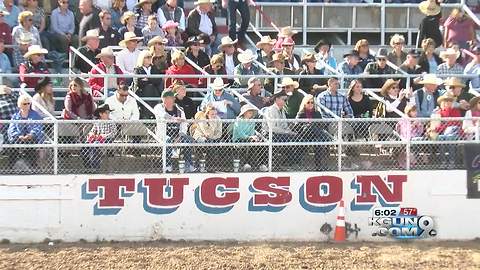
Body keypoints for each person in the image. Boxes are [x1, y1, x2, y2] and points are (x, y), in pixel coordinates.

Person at [154, 90, 196, 172]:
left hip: (177, 135)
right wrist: (173, 119)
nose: (170, 100)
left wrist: (180, 136)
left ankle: (189, 165)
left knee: (188, 140)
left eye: (171, 98)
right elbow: (163, 115)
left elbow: (184, 125)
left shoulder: (179, 109)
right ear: (163, 99)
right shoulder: (159, 107)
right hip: (163, 135)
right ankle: (167, 165)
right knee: (168, 140)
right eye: (167, 98)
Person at [262, 90, 299, 167]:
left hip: (280, 134)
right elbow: (272, 127)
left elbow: (284, 126)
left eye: (286, 100)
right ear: (276, 99)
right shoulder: (270, 110)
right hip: (269, 134)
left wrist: (290, 132)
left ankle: (289, 163)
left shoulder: (282, 110)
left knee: (299, 138)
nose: (285, 102)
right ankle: (289, 163)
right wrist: (287, 132)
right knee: (289, 139)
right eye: (283, 99)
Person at [295, 94, 330, 171]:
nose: (310, 104)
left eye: (312, 102)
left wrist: (313, 125)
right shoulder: (301, 114)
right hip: (304, 135)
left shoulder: (317, 113)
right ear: (304, 103)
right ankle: (327, 138)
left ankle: (318, 165)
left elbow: (321, 125)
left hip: (315, 135)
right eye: (308, 102)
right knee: (310, 126)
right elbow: (296, 127)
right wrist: (307, 125)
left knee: (319, 141)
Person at [7, 95, 44, 169]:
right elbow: (11, 129)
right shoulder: (15, 116)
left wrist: (31, 134)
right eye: (24, 104)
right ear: (19, 105)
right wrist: (18, 135)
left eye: (28, 103)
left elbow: (38, 126)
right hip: (18, 138)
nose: (27, 105)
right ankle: (11, 166)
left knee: (31, 143)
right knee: (12, 145)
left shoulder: (35, 115)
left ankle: (33, 166)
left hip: (31, 138)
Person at [82, 104, 117, 170]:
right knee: (85, 146)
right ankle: (88, 167)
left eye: (108, 113)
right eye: (106, 113)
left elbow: (114, 133)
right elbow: (92, 131)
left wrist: (103, 136)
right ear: (101, 114)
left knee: (96, 145)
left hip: (107, 139)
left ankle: (95, 168)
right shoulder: (97, 122)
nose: (108, 114)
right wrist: (91, 135)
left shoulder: (111, 122)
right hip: (97, 139)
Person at [233, 104, 267, 172]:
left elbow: (251, 132)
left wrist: (253, 137)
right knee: (246, 145)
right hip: (238, 139)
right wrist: (249, 137)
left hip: (249, 139)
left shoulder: (252, 121)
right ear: (244, 112)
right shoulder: (238, 120)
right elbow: (240, 133)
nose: (251, 113)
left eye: (251, 112)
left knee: (259, 144)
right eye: (249, 111)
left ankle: (260, 164)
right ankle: (245, 164)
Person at [133, 50, 163, 119]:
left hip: (154, 91)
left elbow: (158, 80)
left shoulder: (154, 68)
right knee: (149, 87)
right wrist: (152, 79)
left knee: (151, 87)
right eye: (147, 57)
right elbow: (138, 82)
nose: (150, 58)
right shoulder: (137, 69)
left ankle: (153, 114)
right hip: (142, 92)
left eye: (150, 57)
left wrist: (148, 79)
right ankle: (148, 114)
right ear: (142, 58)